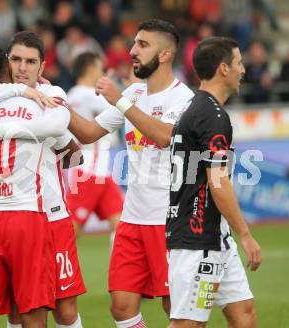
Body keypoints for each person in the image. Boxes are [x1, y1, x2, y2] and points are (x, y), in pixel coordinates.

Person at [66, 19, 194, 326]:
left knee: (174, 306)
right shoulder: (135, 94)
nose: (133, 51)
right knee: (121, 307)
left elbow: (165, 136)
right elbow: (88, 132)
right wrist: (54, 100)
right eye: (135, 43)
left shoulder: (184, 97)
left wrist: (120, 101)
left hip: (167, 220)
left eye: (143, 45)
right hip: (132, 220)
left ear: (164, 55)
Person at [0, 31, 87, 328]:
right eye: (16, 59)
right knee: (18, 306)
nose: (22, 68)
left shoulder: (52, 95)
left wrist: (4, 129)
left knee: (64, 310)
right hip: (19, 215)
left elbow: (74, 154)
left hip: (52, 214)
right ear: (6, 62)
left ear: (42, 67)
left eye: (31, 62)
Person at [166, 36, 262, 328]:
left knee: (244, 315)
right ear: (223, 68)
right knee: (188, 324)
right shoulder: (213, 116)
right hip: (198, 238)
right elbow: (217, 181)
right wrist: (245, 234)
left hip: (215, 237)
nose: (243, 70)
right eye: (239, 63)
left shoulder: (195, 108)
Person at [66, 52, 124, 243]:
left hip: (99, 171)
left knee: (122, 225)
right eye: (100, 69)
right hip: (87, 171)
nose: (102, 74)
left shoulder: (73, 94)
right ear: (91, 69)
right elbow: (121, 107)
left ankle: (121, 270)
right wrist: (115, 87)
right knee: (72, 230)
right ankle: (47, 265)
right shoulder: (87, 94)